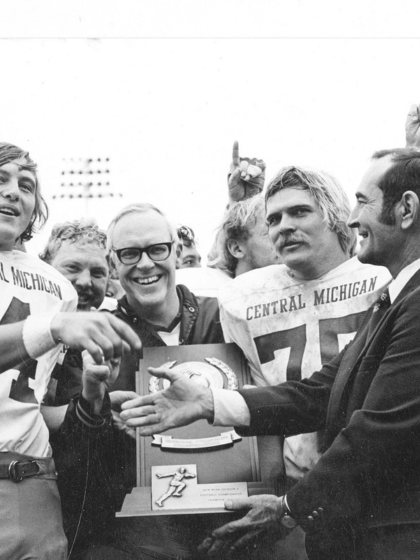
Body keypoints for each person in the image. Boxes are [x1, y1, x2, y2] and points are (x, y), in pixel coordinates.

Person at [120, 148, 420, 560]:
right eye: (273, 218)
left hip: (394, 526)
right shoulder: (397, 296)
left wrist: (287, 509)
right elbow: (317, 393)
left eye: (363, 202)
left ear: (406, 209)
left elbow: (379, 431)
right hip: (341, 519)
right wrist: (209, 401)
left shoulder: (412, 299)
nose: (354, 217)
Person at [0, 142, 141, 559]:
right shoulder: (61, 314)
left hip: (30, 479)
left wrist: (96, 399)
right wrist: (55, 325)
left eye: (26, 185)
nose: (12, 192)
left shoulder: (53, 287)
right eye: (0, 180)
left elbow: (31, 402)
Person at [70, 202, 225, 560]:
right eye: (129, 253)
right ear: (113, 264)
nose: (144, 263)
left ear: (176, 251)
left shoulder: (223, 316)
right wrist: (95, 405)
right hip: (140, 537)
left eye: (157, 249)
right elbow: (76, 456)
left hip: (227, 516)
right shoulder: (95, 336)